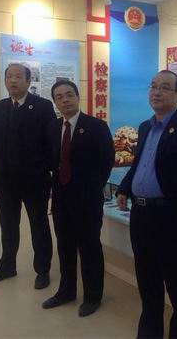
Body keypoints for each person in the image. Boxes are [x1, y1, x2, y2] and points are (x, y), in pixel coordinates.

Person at [116, 70, 177, 338]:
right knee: (147, 284)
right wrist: (124, 188)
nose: (157, 92)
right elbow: (139, 164)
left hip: (169, 218)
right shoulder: (145, 127)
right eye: (153, 86)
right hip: (141, 216)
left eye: (165, 88)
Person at [41, 80, 114, 317]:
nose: (65, 100)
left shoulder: (96, 126)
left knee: (89, 247)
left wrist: (92, 186)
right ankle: (66, 291)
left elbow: (107, 161)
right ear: (55, 102)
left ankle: (93, 296)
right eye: (59, 96)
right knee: (64, 246)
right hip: (61, 198)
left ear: (78, 96)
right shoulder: (53, 127)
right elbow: (52, 160)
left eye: (69, 94)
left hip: (87, 199)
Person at [0, 63, 55, 289]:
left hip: (34, 180)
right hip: (4, 180)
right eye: (9, 77)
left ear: (28, 81)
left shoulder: (43, 106)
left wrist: (42, 169)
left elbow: (50, 143)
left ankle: (42, 270)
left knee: (38, 225)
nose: (13, 80)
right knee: (8, 225)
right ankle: (7, 266)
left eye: (18, 76)